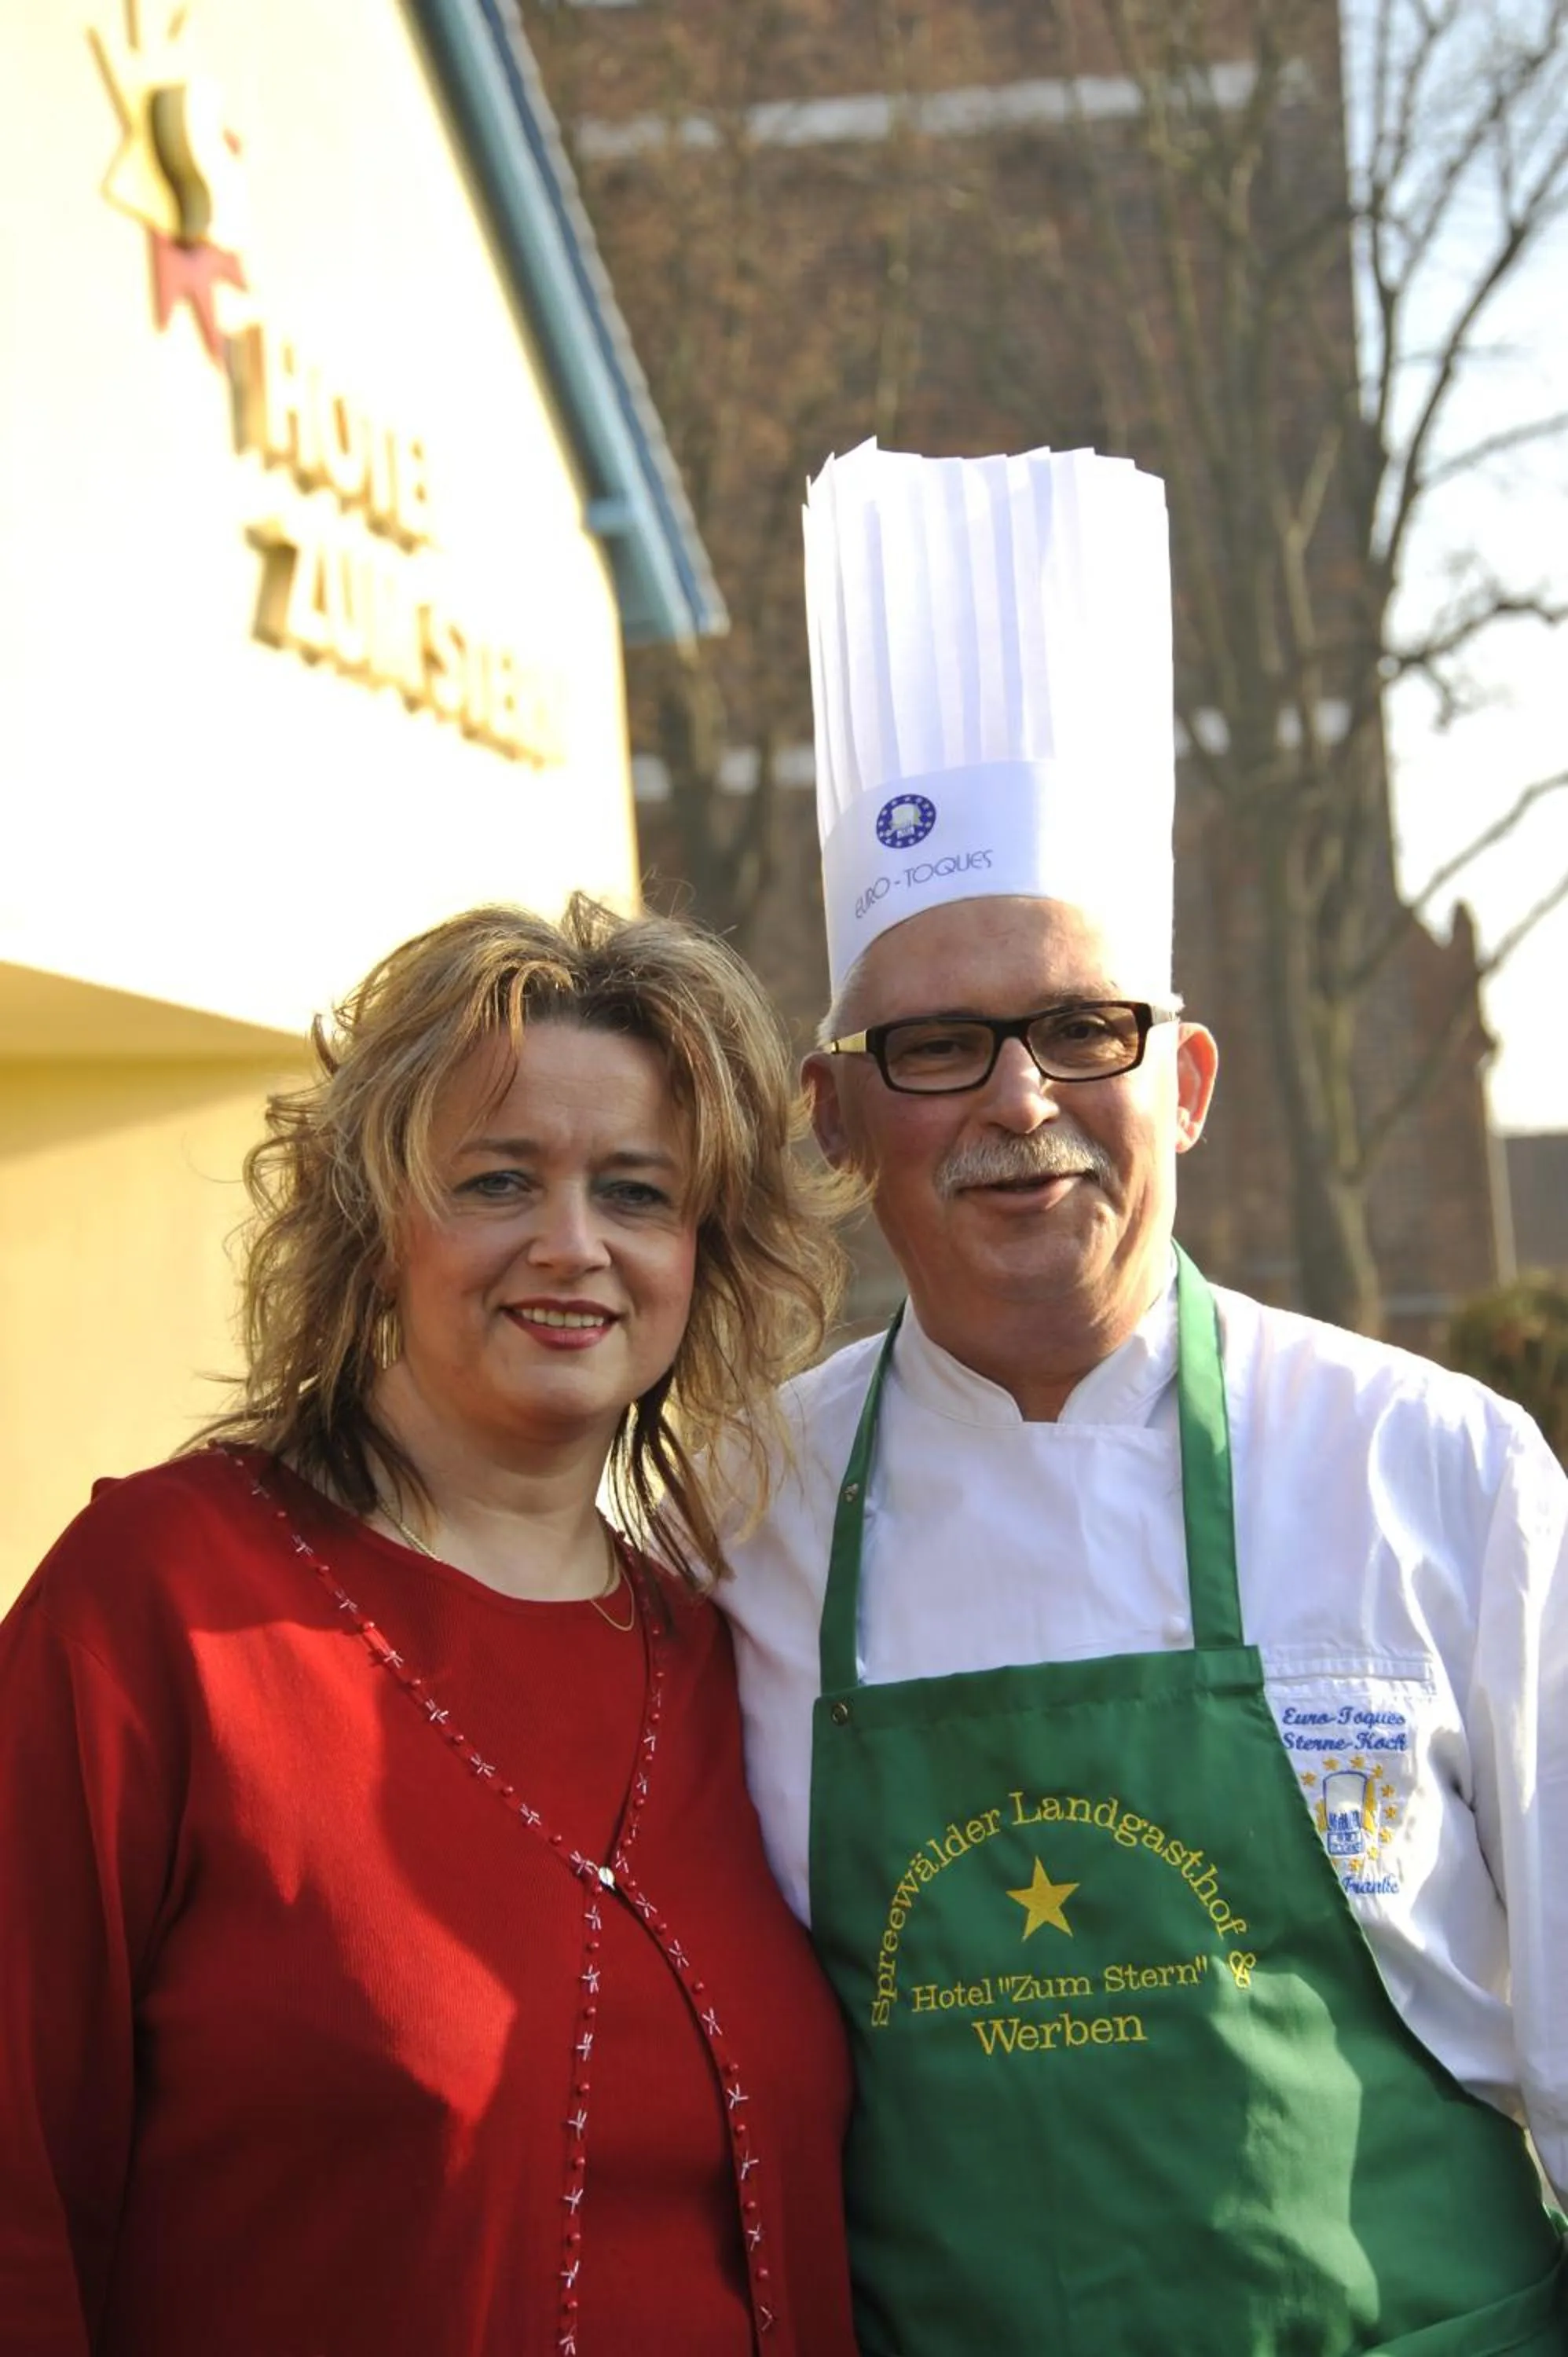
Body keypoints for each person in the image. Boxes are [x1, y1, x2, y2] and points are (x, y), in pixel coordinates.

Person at [714, 442, 1568, 2355]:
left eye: (1077, 1029)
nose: (1018, 1104)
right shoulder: (738, 1513)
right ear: (835, 1117)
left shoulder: (1430, 1469)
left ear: (1176, 1080)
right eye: (935, 1045)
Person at [0, 895, 860, 2357]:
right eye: (498, 1180)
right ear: (372, 1220)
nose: (573, 1245)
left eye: (640, 1193)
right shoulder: (159, 1604)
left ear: (704, 1256)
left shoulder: (724, 1658)